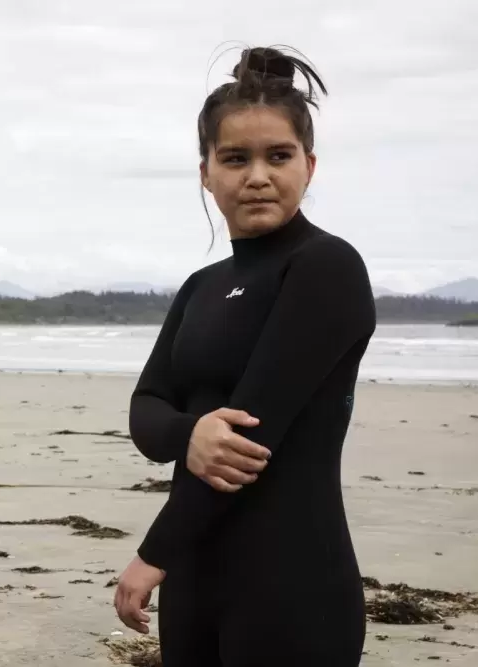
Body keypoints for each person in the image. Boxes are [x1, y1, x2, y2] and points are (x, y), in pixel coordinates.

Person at [113, 46, 376, 665]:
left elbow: (248, 439)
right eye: (235, 159)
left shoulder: (326, 268)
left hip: (293, 586)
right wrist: (189, 433)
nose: (257, 175)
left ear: (309, 165)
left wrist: (153, 554)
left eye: (277, 156)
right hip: (196, 581)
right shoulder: (201, 287)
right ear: (206, 172)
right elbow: (145, 411)